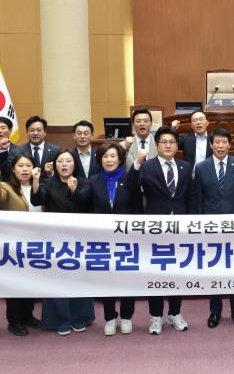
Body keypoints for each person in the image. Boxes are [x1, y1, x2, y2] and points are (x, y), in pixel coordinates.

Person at [191, 128, 234, 328]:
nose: (220, 146)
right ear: (211, 145)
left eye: (224, 142)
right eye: (216, 142)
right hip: (211, 226)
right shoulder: (201, 167)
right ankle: (215, 311)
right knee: (215, 269)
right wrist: (199, 225)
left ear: (229, 145)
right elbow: (198, 198)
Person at [135, 126, 192, 335]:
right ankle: (156, 315)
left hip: (180, 229)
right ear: (156, 145)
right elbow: (132, 188)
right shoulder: (146, 167)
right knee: (156, 272)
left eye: (172, 142)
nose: (168, 145)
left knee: (177, 272)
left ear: (177, 146)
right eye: (164, 142)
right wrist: (136, 165)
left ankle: (175, 313)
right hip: (155, 229)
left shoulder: (186, 167)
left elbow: (191, 196)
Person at [30, 150, 95, 336]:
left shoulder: (84, 182)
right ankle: (60, 319)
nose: (64, 164)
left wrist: (74, 191)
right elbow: (37, 199)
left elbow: (84, 204)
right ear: (55, 164)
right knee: (57, 279)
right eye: (60, 161)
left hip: (78, 238)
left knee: (78, 278)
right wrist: (36, 181)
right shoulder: (48, 183)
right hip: (56, 239)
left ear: (75, 164)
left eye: (68, 161)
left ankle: (80, 317)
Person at [81, 142, 143, 336]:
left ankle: (126, 316)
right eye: (105, 156)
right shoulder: (93, 181)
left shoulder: (129, 179)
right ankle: (109, 317)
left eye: (113, 156)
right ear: (100, 160)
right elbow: (83, 204)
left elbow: (138, 209)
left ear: (120, 159)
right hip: (102, 240)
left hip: (127, 239)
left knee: (127, 279)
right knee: (106, 279)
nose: (109, 160)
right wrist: (73, 191)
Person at [0, 152, 42, 336]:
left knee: (32, 282)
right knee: (15, 283)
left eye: (28, 165)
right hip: (14, 244)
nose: (25, 169)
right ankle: (15, 321)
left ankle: (28, 315)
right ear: (13, 169)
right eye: (20, 166)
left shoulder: (38, 186)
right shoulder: (6, 187)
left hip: (36, 243)